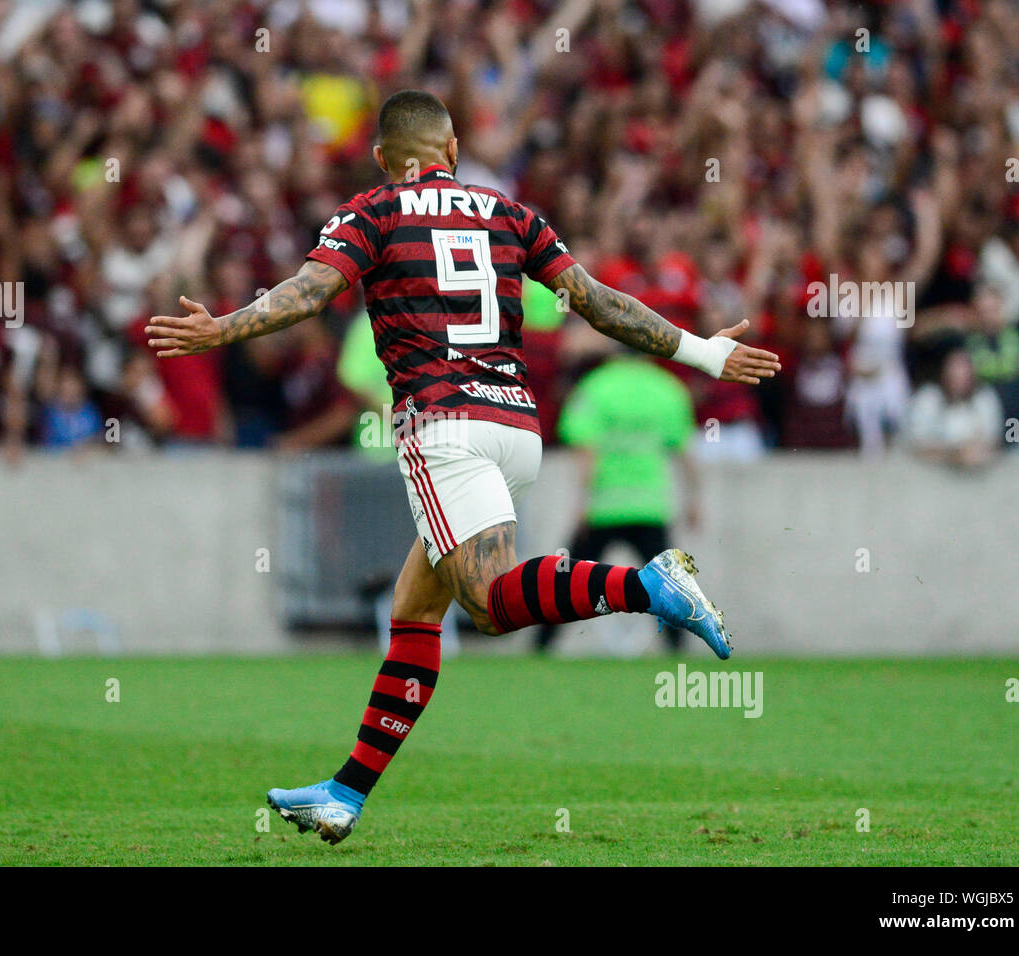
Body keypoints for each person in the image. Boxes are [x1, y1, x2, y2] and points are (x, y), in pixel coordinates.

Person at [146, 91, 780, 844]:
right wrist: (705, 350)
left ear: (385, 158)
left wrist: (223, 327)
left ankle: (647, 584)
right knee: (416, 610)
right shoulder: (511, 214)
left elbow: (312, 291)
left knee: (488, 608)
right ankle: (345, 793)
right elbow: (601, 304)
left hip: (442, 428)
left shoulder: (372, 212)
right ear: (451, 149)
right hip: (515, 424)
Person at [534, 352, 700, 654]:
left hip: (603, 506)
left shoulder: (596, 386)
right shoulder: (667, 388)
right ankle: (679, 650)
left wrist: (581, 501)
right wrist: (694, 499)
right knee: (668, 587)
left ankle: (542, 646)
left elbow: (586, 449)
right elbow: (684, 451)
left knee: (567, 580)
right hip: (649, 505)